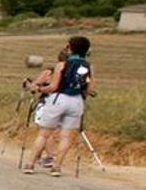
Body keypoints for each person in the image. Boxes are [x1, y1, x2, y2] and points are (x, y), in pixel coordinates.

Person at [22, 36, 94, 176]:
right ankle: (57, 167)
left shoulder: (62, 65)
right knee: (66, 136)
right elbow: (89, 89)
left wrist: (40, 89)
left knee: (44, 133)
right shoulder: (88, 67)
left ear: (71, 48)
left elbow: (53, 86)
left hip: (59, 99)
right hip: (77, 101)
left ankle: (30, 164)